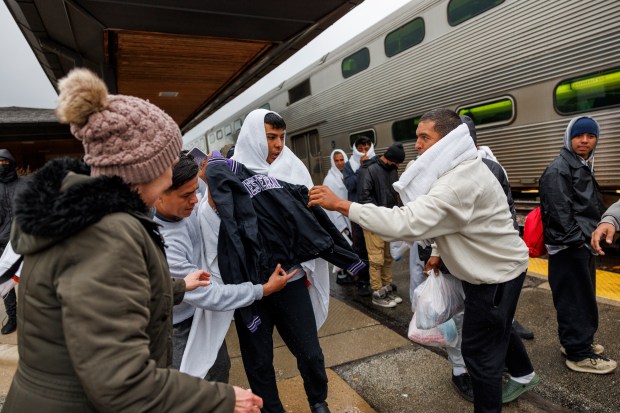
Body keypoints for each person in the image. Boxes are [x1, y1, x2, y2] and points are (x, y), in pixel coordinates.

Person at [3, 68, 263, 413]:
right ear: (146, 169)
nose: (178, 169)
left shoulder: (83, 215)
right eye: (172, 160)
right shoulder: (105, 234)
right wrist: (222, 398)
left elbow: (107, 295)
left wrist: (178, 286)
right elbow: (122, 382)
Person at [309, 108, 538, 413]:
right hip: (496, 271)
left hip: (493, 277)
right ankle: (524, 374)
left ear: (447, 140)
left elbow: (407, 222)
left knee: (480, 356)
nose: (416, 145)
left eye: (424, 137)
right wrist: (439, 253)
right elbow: (460, 223)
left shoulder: (458, 181)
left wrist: (341, 204)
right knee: (494, 334)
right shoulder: (464, 167)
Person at [220, 108, 332, 413]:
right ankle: (271, 409)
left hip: (291, 282)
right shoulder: (229, 177)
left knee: (310, 352)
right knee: (258, 360)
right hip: (252, 292)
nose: (279, 144)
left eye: (281, 137)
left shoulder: (292, 170)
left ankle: (318, 401)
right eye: (271, 137)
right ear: (255, 136)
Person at [154, 153, 294, 381]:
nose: (194, 200)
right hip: (179, 327)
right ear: (158, 195)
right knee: (189, 385)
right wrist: (262, 290)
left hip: (200, 313)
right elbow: (208, 294)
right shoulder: (165, 245)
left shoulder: (183, 211)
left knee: (219, 371)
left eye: (195, 191)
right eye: (187, 195)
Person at [539, 116, 616, 374]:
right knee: (575, 300)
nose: (585, 141)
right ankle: (578, 354)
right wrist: (579, 243)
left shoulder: (579, 164)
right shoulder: (560, 169)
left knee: (581, 297)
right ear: (569, 137)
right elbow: (558, 213)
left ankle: (577, 343)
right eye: (579, 136)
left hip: (580, 244)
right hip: (570, 248)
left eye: (591, 136)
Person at [461, 115, 533, 341]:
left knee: (492, 307)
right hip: (468, 255)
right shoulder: (448, 172)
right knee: (480, 308)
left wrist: (510, 240)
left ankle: (504, 341)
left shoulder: (491, 168)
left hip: (490, 252)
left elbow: (507, 207)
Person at [357, 142, 404, 307]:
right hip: (374, 221)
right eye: (397, 162)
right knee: (376, 259)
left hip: (387, 220)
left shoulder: (391, 169)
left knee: (387, 257)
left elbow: (395, 192)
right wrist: (380, 214)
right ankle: (377, 292)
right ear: (391, 159)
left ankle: (387, 288)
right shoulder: (368, 169)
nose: (398, 166)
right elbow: (363, 197)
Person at [343, 136, 375, 296]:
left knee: (376, 247)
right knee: (361, 248)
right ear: (356, 150)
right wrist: (361, 168)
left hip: (373, 210)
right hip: (356, 212)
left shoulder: (375, 161)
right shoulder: (350, 165)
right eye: (361, 149)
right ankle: (362, 280)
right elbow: (349, 185)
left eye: (367, 148)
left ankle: (378, 280)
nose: (365, 152)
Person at [322, 149, 354, 284]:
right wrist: (340, 226)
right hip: (338, 219)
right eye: (337, 160)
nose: (340, 163)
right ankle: (341, 276)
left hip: (348, 215)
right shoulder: (329, 180)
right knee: (343, 246)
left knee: (348, 247)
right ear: (332, 162)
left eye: (342, 160)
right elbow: (329, 204)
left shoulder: (346, 175)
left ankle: (348, 273)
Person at [0, 149, 23, 335]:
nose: (1, 167)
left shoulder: (25, 185)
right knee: (6, 282)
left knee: (31, 280)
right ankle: (12, 317)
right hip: (2, 241)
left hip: (23, 241)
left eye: (4, 163)